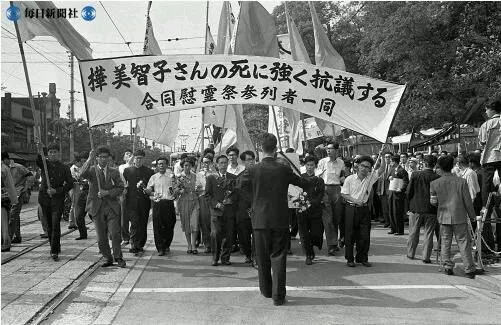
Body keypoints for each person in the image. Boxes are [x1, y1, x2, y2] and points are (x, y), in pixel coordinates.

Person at [239, 133, 312, 306]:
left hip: (259, 219)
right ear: (276, 148)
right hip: (279, 218)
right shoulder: (283, 168)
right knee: (279, 256)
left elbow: (240, 188)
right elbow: (301, 182)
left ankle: (266, 290)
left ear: (260, 148)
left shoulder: (252, 169)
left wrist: (253, 202)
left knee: (262, 257)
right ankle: (278, 296)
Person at [430, 155, 481, 278]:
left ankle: (447, 266)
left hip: (443, 216)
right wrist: (472, 216)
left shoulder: (434, 183)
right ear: (453, 166)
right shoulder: (461, 182)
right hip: (459, 216)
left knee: (446, 242)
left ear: (440, 167)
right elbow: (467, 201)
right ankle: (469, 268)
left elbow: (433, 202)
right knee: (463, 243)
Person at [80, 146, 126, 268]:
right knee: (101, 237)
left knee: (115, 233)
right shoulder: (92, 170)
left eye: (106, 157)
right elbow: (81, 174)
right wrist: (89, 159)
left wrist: (108, 193)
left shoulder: (114, 172)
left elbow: (121, 188)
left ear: (109, 158)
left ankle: (118, 257)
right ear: (97, 158)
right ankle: (108, 257)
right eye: (101, 157)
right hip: (96, 207)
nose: (103, 159)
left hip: (112, 207)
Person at [341, 153, 386, 267]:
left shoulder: (370, 178)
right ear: (358, 166)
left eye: (368, 167)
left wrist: (383, 156)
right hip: (351, 209)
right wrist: (355, 201)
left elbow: (381, 169)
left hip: (364, 210)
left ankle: (362, 258)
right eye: (363, 166)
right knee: (350, 235)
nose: (365, 169)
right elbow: (344, 194)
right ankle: (350, 259)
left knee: (364, 235)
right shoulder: (350, 179)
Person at [36, 143, 74, 261]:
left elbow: (69, 184)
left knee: (56, 223)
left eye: (55, 152)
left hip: (57, 199)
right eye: (50, 152)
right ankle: (54, 245)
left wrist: (57, 191)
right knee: (48, 225)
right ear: (47, 154)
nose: (53, 154)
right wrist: (39, 149)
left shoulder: (64, 167)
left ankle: (54, 250)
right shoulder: (45, 164)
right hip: (44, 198)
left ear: (59, 153)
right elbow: (38, 159)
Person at [406, 155, 440, 263]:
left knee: (413, 232)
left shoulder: (416, 174)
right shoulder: (437, 177)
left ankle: (410, 253)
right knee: (429, 233)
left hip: (416, 207)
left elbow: (409, 191)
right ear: (434, 164)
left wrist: (409, 205)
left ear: (424, 163)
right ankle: (426, 256)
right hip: (431, 209)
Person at [315, 141, 346, 255]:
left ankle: (335, 242)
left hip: (337, 190)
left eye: (331, 149)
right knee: (328, 219)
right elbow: (317, 176)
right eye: (327, 149)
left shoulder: (341, 163)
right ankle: (331, 245)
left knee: (336, 218)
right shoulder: (322, 162)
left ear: (336, 151)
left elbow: (343, 177)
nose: (328, 151)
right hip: (325, 190)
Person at [205, 155, 237, 265]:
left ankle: (225, 258)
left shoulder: (233, 177)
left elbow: (236, 193)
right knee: (215, 234)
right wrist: (216, 204)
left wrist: (231, 200)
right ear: (217, 164)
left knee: (229, 235)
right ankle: (215, 257)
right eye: (221, 163)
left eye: (225, 163)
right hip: (216, 212)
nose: (223, 165)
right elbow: (207, 195)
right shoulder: (211, 178)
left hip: (229, 211)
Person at [123, 150, 154, 255]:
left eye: (141, 158)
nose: (138, 160)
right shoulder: (127, 171)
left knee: (143, 223)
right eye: (137, 158)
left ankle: (141, 244)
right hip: (131, 201)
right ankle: (134, 244)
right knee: (134, 223)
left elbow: (151, 187)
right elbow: (124, 184)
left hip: (144, 202)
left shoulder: (149, 172)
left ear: (144, 159)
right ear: (133, 158)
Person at [145, 157, 176, 256]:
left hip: (168, 203)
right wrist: (149, 191)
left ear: (167, 165)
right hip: (158, 203)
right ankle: (160, 248)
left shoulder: (171, 177)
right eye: (159, 164)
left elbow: (176, 189)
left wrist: (176, 192)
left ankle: (166, 244)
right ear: (157, 166)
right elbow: (149, 188)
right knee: (157, 226)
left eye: (163, 164)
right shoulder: (153, 177)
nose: (161, 165)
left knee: (169, 225)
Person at [297, 156, 325, 265]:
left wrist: (312, 203)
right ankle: (308, 254)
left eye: (311, 165)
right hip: (301, 209)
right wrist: (303, 204)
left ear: (315, 166)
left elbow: (320, 194)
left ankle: (313, 246)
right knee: (304, 234)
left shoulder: (319, 180)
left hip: (315, 210)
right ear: (305, 166)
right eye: (307, 165)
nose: (309, 167)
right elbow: (295, 193)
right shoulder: (299, 178)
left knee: (316, 232)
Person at [478, 99, 501, 217]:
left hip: (489, 157)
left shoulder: (486, 124)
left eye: (487, 109)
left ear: (492, 109)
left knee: (486, 184)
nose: (486, 112)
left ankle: (486, 205)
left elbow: (482, 142)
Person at [2, 154, 32, 244]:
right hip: (8, 195)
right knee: (14, 216)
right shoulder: (3, 168)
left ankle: (8, 239)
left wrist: (26, 187)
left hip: (19, 193)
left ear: (7, 160)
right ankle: (17, 236)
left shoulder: (18, 167)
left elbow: (30, 175)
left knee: (13, 215)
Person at [235, 150, 256, 265]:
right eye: (248, 159)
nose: (251, 161)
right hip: (243, 209)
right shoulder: (239, 177)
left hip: (257, 208)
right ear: (243, 162)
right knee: (244, 234)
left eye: (252, 159)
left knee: (257, 234)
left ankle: (256, 255)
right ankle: (248, 254)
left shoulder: (260, 174)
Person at [176, 158, 200, 254]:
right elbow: (175, 191)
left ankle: (194, 245)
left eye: (189, 165)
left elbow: (200, 187)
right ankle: (189, 244)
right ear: (182, 166)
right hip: (184, 202)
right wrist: (179, 190)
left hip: (195, 201)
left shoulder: (195, 176)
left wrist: (198, 189)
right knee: (186, 224)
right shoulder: (178, 177)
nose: (187, 167)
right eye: (185, 165)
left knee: (194, 223)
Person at [196, 155, 215, 254]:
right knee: (204, 221)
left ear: (211, 163)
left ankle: (214, 244)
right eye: (204, 162)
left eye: (207, 162)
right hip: (203, 198)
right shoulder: (199, 175)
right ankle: (207, 244)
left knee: (213, 221)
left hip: (213, 199)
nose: (205, 164)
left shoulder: (215, 174)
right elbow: (196, 188)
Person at [388, 155, 409, 235]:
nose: (390, 163)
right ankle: (393, 228)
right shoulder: (392, 169)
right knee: (391, 211)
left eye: (391, 161)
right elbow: (389, 178)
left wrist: (401, 189)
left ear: (395, 162)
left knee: (397, 212)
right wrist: (390, 177)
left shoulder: (402, 170)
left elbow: (406, 182)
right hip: (392, 192)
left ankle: (399, 230)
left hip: (398, 194)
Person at [1, 153, 18, 252]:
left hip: (3, 198)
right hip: (5, 197)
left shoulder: (4, 168)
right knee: (4, 222)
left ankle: (5, 242)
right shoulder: (4, 168)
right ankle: (5, 242)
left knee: (3, 222)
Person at [118, 149, 133, 245]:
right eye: (126, 154)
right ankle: (125, 236)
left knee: (135, 216)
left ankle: (133, 235)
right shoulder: (121, 167)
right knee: (124, 216)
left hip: (134, 193)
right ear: (124, 157)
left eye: (130, 154)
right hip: (124, 192)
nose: (129, 155)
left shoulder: (136, 166)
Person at [377, 152, 393, 228]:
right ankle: (387, 222)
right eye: (386, 157)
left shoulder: (393, 167)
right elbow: (380, 180)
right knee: (385, 208)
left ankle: (392, 223)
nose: (387, 158)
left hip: (390, 190)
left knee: (391, 208)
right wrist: (378, 190)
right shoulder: (382, 168)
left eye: (389, 157)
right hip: (383, 191)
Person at [68, 154, 84, 231]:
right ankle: (74, 223)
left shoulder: (78, 168)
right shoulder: (73, 169)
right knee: (75, 205)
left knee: (75, 205)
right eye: (81, 162)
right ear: (77, 162)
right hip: (74, 188)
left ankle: (74, 222)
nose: (81, 163)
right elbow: (77, 178)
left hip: (78, 188)